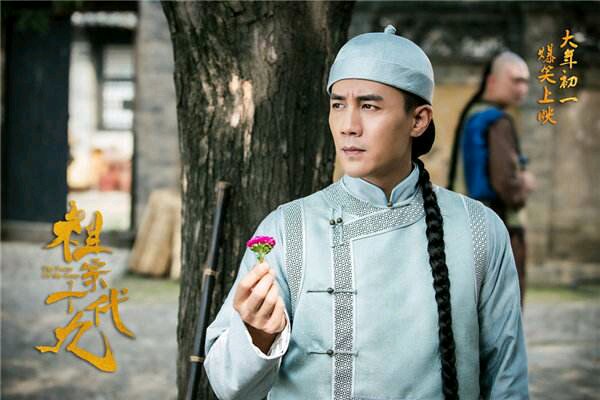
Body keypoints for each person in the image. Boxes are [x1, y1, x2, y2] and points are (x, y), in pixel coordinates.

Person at [203, 25, 529, 400]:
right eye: (338, 105)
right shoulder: (287, 229)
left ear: (418, 120)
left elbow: (507, 381)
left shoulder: (479, 230)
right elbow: (227, 385)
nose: (348, 126)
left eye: (369, 106)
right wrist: (258, 336)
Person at [447, 51, 536, 307]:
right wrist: (524, 184)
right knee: (505, 307)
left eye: (525, 81)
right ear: (493, 81)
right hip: (501, 226)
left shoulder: (472, 114)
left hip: (469, 224)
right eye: (515, 80)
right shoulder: (497, 122)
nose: (522, 88)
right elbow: (506, 183)